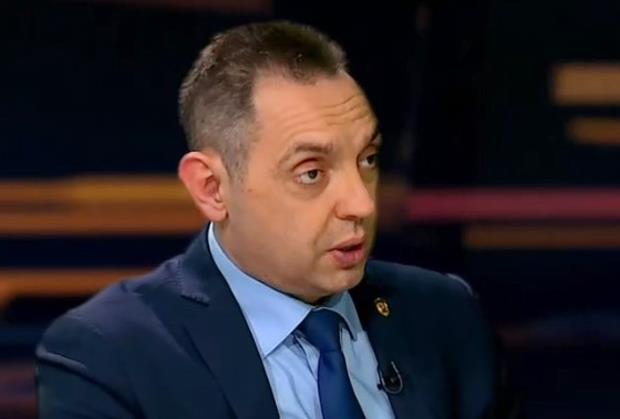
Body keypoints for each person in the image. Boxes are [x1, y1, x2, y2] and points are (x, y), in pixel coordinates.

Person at [36, 21, 516, 419]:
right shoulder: (108, 356)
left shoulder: (446, 317)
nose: (361, 204)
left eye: (367, 159)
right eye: (311, 173)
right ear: (212, 188)